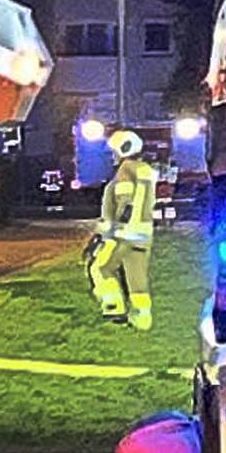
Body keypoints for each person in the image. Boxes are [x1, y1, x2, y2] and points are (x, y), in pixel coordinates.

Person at [88, 129, 160, 330]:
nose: (113, 155)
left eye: (114, 151)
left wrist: (110, 232)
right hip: (143, 234)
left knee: (100, 268)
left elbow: (125, 201)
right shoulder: (145, 170)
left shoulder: (126, 170)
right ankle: (142, 319)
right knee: (136, 277)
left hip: (123, 233)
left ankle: (114, 308)